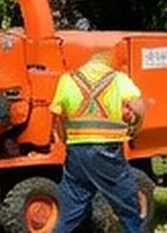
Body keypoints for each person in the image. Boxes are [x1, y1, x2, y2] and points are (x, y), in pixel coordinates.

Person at [49, 47, 147, 233]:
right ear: (108, 63)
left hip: (76, 152)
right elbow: (138, 106)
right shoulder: (118, 79)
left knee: (71, 207)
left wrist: (64, 139)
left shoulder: (67, 80)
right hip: (106, 151)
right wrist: (136, 127)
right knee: (127, 201)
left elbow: (56, 116)